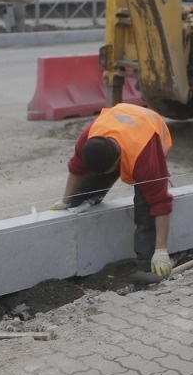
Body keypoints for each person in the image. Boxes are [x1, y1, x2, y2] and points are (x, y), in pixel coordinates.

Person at [50, 103, 175, 280]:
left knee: (145, 209)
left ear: (118, 163)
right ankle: (86, 198)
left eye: (105, 172)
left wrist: (161, 250)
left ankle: (147, 268)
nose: (101, 175)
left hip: (148, 131)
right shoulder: (89, 138)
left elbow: (160, 203)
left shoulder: (145, 159)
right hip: (121, 123)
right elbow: (77, 169)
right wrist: (66, 200)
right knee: (82, 193)